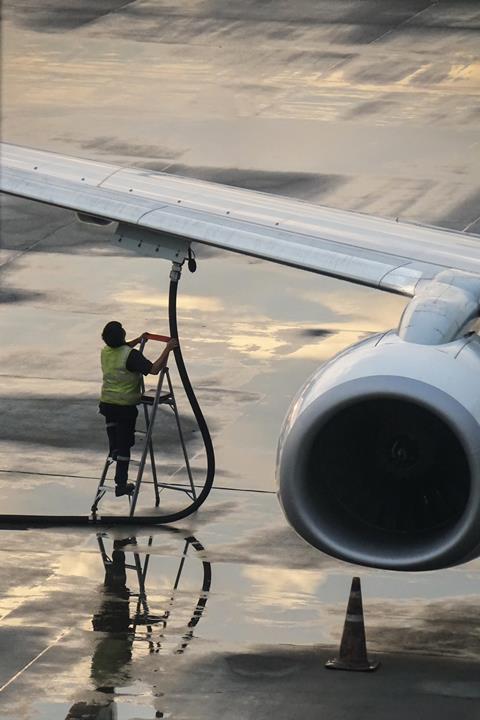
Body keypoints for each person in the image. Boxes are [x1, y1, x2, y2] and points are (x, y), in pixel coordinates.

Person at [99, 321, 178, 496]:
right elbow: (154, 369)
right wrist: (168, 348)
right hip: (124, 407)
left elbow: (121, 348)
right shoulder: (131, 356)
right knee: (125, 445)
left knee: (115, 445)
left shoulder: (106, 352)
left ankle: (114, 450)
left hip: (107, 404)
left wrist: (139, 339)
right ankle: (120, 484)